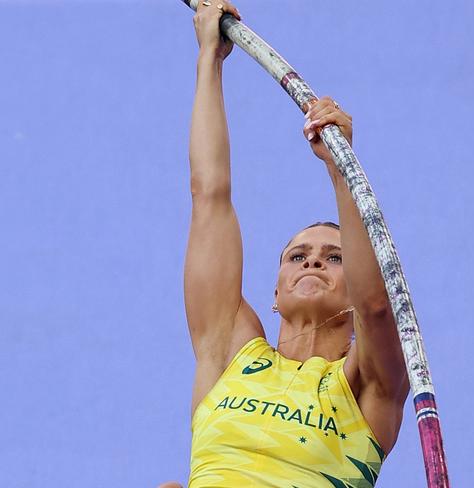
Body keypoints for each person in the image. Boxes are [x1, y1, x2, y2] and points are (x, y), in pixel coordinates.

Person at [159, 1, 409, 486]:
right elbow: (208, 197)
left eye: (334, 257)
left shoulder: (367, 387)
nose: (313, 259)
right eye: (298, 255)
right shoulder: (228, 355)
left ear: (352, 293)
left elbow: (378, 305)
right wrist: (209, 59)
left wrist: (341, 170)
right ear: (274, 294)